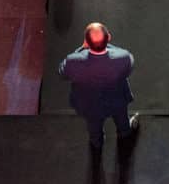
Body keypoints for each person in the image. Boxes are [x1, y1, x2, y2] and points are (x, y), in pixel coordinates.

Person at [58, 22, 139, 160]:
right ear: (108, 38)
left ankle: (97, 143)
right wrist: (107, 44)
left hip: (90, 105)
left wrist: (81, 49)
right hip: (117, 100)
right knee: (122, 120)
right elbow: (129, 68)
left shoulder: (73, 62)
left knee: (93, 126)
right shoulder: (123, 57)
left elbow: (62, 72)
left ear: (86, 43)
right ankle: (124, 133)